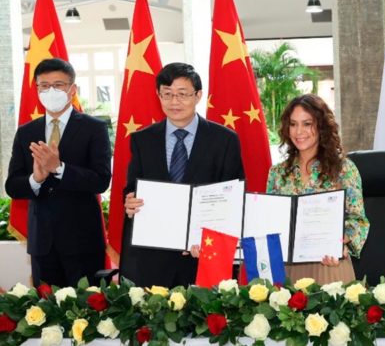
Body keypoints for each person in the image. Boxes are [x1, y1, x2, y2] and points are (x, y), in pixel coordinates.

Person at [123, 62, 244, 287]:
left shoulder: (224, 140)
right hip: (154, 256)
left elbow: (233, 197)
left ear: (198, 95)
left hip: (204, 255)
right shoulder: (143, 139)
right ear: (158, 95)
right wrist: (129, 201)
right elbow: (132, 187)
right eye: (167, 94)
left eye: (182, 94)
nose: (174, 102)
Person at [5, 58, 111, 287]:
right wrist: (36, 179)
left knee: (87, 313)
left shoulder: (94, 128)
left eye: (58, 85)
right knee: (45, 315)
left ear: (72, 89)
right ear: (37, 90)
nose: (51, 91)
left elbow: (101, 180)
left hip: (83, 240)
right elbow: (12, 185)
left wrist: (59, 169)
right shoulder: (26, 132)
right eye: (44, 86)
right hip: (42, 242)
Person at [267, 94, 369, 284]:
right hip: (287, 270)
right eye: (293, 124)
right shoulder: (277, 173)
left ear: (321, 127)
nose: (299, 131)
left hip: (329, 265)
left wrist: (341, 243)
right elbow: (271, 222)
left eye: (307, 124)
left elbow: (358, 221)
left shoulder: (344, 169)